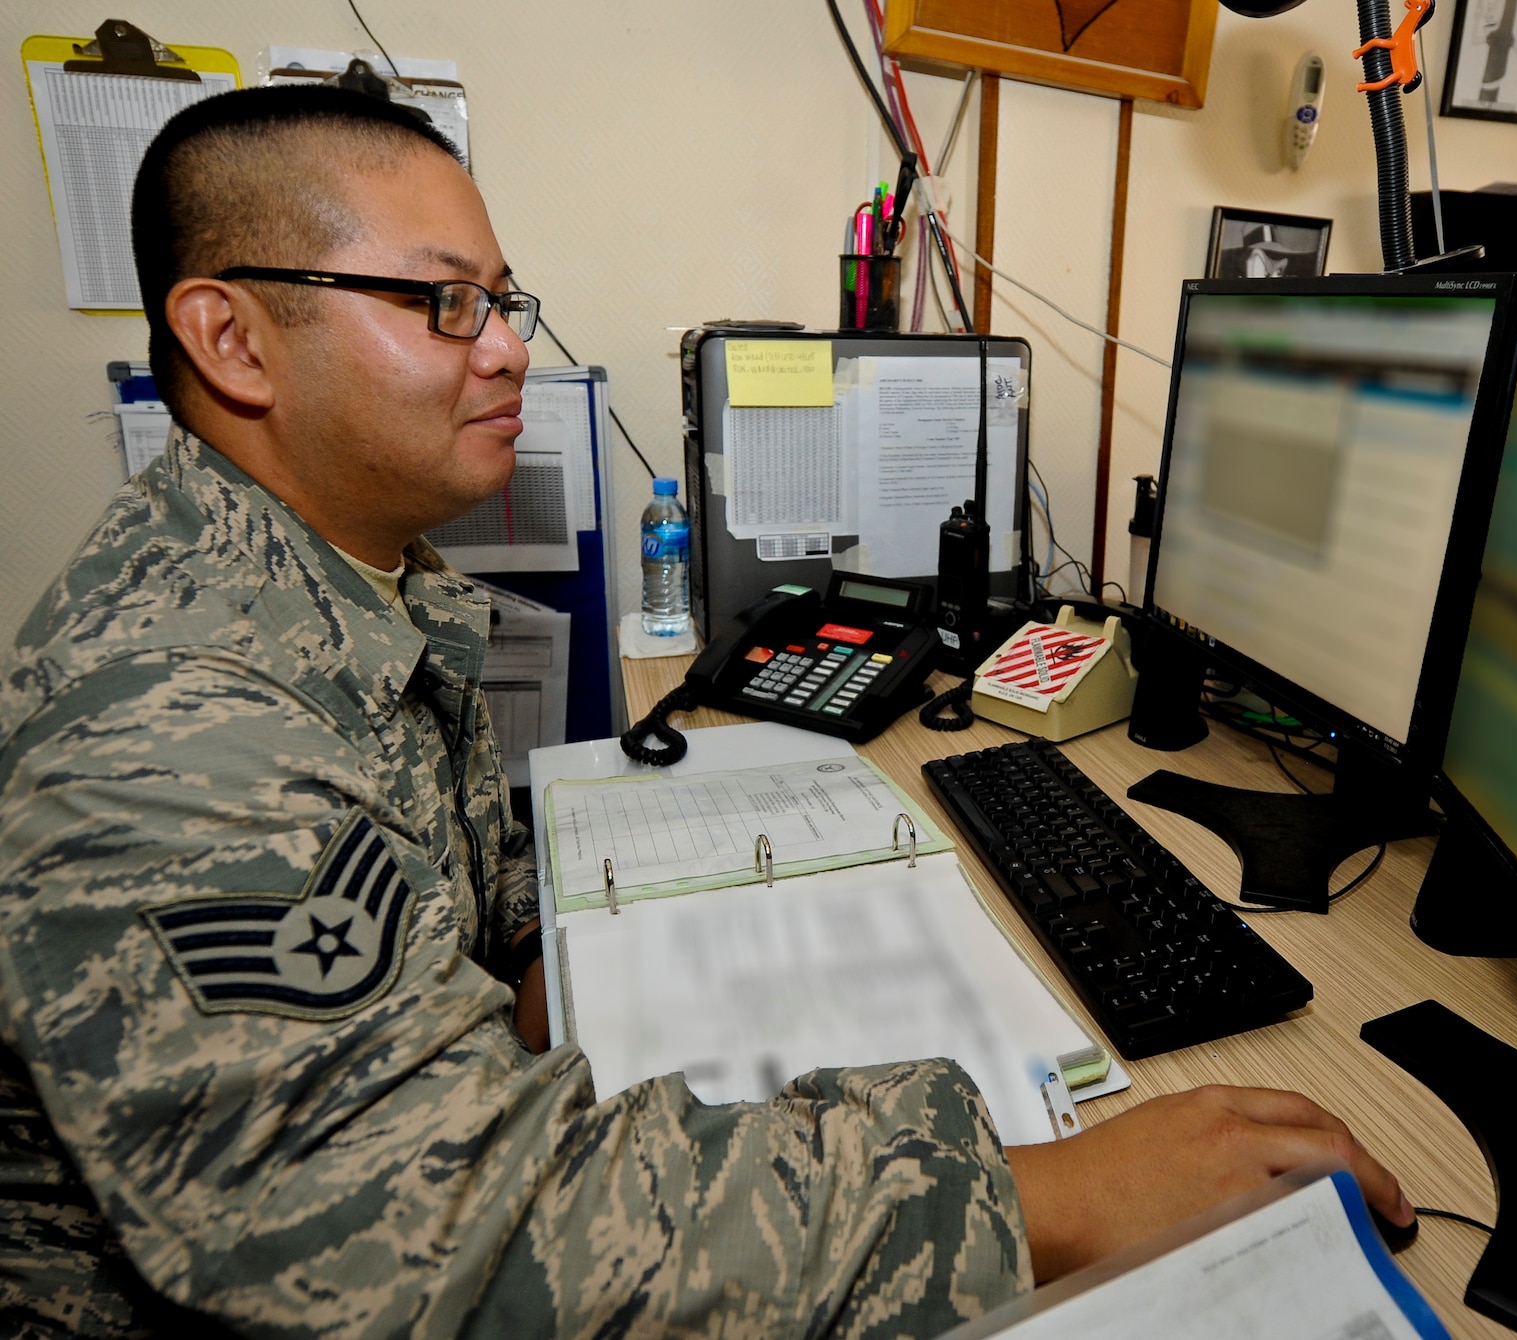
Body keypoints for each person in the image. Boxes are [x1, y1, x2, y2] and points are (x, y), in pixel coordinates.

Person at [0, 86, 1413, 1338]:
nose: (504, 353)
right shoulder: (175, 722)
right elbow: (416, 1245)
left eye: (503, 302)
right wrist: (1033, 1193)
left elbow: (454, 886)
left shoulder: (345, 590)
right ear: (232, 340)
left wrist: (565, 945)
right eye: (444, 304)